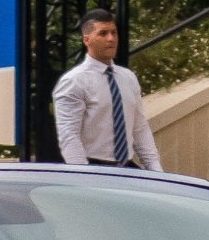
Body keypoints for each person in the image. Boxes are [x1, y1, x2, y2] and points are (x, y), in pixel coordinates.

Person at [51, 10, 160, 170]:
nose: (111, 39)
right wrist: (84, 176)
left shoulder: (128, 77)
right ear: (87, 40)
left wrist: (156, 171)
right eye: (103, 33)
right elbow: (69, 136)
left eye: (113, 33)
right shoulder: (74, 82)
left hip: (127, 167)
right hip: (95, 168)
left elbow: (139, 127)